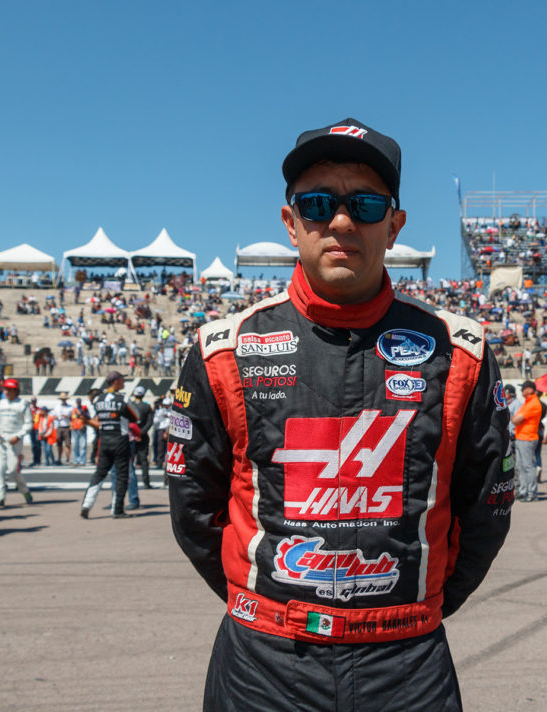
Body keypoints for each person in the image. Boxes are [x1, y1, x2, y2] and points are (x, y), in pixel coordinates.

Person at [168, 118, 512, 710]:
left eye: (367, 205)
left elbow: (487, 507)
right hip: (264, 662)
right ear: (291, 221)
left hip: (407, 662)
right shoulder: (223, 349)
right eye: (318, 203)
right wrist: (263, 604)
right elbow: (194, 510)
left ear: (395, 225)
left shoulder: (462, 351)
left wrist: (415, 607)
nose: (342, 222)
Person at [80, 371, 138, 519]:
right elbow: (135, 416)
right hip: (120, 440)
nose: (124, 383)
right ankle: (117, 510)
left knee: (99, 473)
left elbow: (96, 418)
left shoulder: (97, 399)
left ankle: (86, 505)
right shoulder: (123, 398)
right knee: (122, 476)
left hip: (104, 440)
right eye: (122, 380)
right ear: (116, 381)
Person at [0, 378, 34, 508]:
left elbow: (28, 424)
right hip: (0, 439)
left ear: (16, 390)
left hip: (14, 440)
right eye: (6, 389)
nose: (7, 391)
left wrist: (18, 436)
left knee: (13, 470)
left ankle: (25, 491)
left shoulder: (23, 404)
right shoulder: (1, 403)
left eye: (10, 389)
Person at [511, 380, 543, 502]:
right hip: (521, 437)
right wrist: (516, 419)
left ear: (530, 390)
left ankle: (532, 493)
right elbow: (516, 419)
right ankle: (523, 491)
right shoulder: (527, 402)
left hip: (527, 438)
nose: (522, 390)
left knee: (528, 467)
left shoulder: (533, 403)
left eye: (524, 388)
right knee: (520, 466)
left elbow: (516, 419)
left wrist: (516, 419)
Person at [129, 385, 153, 488]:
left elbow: (127, 422)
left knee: (130, 461)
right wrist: (141, 433)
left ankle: (129, 483)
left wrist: (134, 433)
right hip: (142, 436)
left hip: (131, 436)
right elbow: (149, 422)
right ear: (143, 395)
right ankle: (146, 483)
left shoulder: (130, 405)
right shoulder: (147, 406)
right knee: (144, 461)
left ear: (134, 394)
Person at [53, 392, 73, 465]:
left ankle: (68, 458)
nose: (63, 400)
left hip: (67, 426)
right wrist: (57, 417)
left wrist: (67, 416)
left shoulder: (70, 407)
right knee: (59, 444)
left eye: (64, 399)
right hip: (59, 426)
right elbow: (53, 415)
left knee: (67, 444)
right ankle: (59, 458)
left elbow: (73, 417)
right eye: (62, 399)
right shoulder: (57, 407)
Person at [70, 397, 88, 465]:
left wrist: (84, 424)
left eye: (79, 402)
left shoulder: (84, 409)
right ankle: (76, 460)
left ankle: (82, 461)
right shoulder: (74, 410)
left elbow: (88, 418)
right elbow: (71, 419)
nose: (78, 403)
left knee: (83, 445)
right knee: (75, 445)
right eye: (77, 402)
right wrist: (71, 426)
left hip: (82, 428)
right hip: (75, 428)